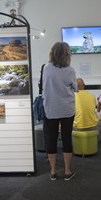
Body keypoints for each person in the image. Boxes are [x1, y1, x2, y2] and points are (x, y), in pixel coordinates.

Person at [42, 42, 77, 181]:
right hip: (67, 108)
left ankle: (53, 171)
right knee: (67, 138)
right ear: (67, 54)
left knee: (51, 139)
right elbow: (75, 87)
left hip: (50, 108)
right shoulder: (70, 70)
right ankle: (68, 171)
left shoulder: (46, 68)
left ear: (52, 53)